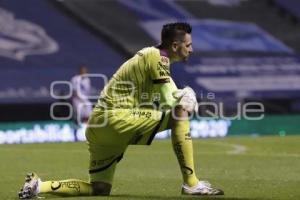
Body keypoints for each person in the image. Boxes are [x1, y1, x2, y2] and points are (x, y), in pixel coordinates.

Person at [18, 22, 224, 199]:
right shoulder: (157, 58)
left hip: (98, 126)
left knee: (100, 188)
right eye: (188, 45)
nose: (191, 49)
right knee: (180, 115)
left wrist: (182, 94)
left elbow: (170, 93)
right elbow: (170, 101)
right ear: (175, 45)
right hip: (117, 117)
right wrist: (185, 95)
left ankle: (38, 186)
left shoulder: (153, 61)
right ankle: (192, 183)